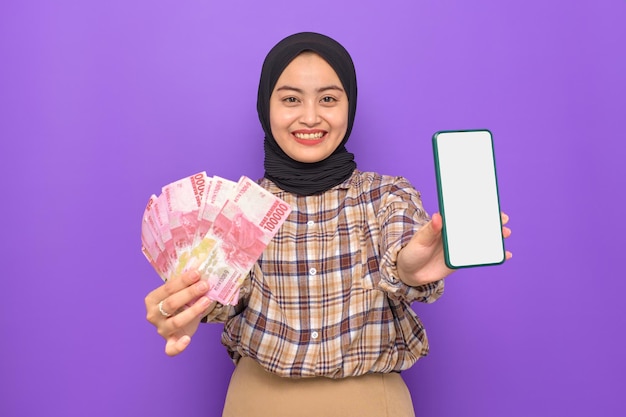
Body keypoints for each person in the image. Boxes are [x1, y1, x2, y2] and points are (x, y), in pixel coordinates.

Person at [145, 32, 512, 417]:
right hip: (258, 403)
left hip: (373, 405)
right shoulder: (237, 209)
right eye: (290, 99)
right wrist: (182, 308)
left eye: (328, 99)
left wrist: (409, 267)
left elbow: (404, 247)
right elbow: (216, 296)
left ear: (348, 106)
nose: (310, 116)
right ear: (265, 107)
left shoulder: (387, 195)